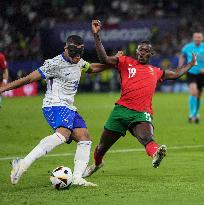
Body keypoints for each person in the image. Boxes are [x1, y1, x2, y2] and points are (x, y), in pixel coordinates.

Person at [82, 20, 197, 178]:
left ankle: (156, 153)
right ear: (136, 52)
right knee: (101, 147)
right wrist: (96, 35)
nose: (142, 53)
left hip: (141, 113)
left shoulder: (155, 71)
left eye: (146, 51)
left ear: (151, 54)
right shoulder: (125, 62)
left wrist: (191, 63)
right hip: (121, 111)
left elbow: (176, 73)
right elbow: (104, 59)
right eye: (140, 50)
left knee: (147, 138)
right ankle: (97, 163)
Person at [0, 35, 108, 187]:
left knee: (85, 138)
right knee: (63, 134)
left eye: (79, 55)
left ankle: (77, 178)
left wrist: (112, 64)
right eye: (74, 54)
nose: (77, 58)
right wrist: (4, 87)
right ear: (66, 48)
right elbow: (29, 79)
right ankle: (22, 164)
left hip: (69, 107)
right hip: (54, 105)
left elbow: (92, 68)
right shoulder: (54, 64)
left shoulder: (79, 62)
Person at [179, 32, 204, 123]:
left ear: (202, 38)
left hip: (202, 74)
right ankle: (192, 114)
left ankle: (196, 113)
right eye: (196, 37)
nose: (197, 39)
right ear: (193, 38)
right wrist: (180, 67)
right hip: (191, 72)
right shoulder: (187, 47)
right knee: (194, 92)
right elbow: (182, 56)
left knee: (198, 96)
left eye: (199, 37)